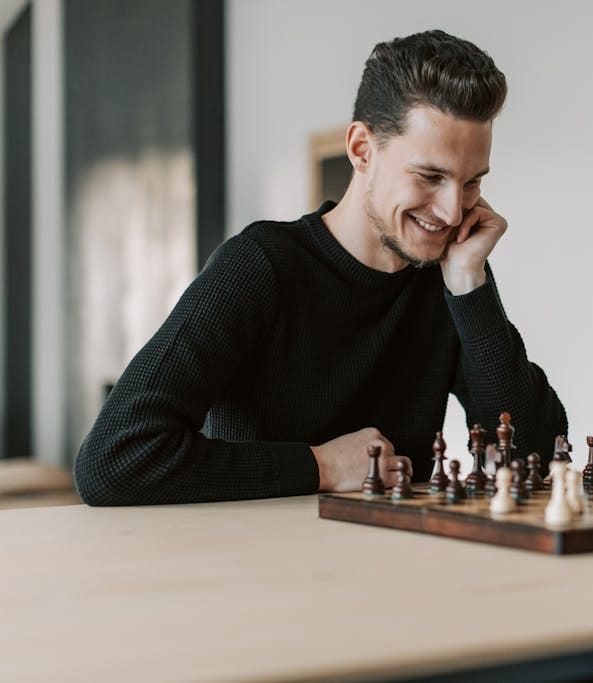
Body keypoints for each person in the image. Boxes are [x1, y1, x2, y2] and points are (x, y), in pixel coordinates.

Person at [74, 30, 567, 506]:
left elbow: (534, 458)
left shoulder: (450, 273)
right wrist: (321, 467)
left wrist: (469, 286)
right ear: (361, 150)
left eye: (470, 183)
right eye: (430, 176)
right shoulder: (259, 265)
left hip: (399, 572)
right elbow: (112, 460)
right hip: (256, 572)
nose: (452, 212)